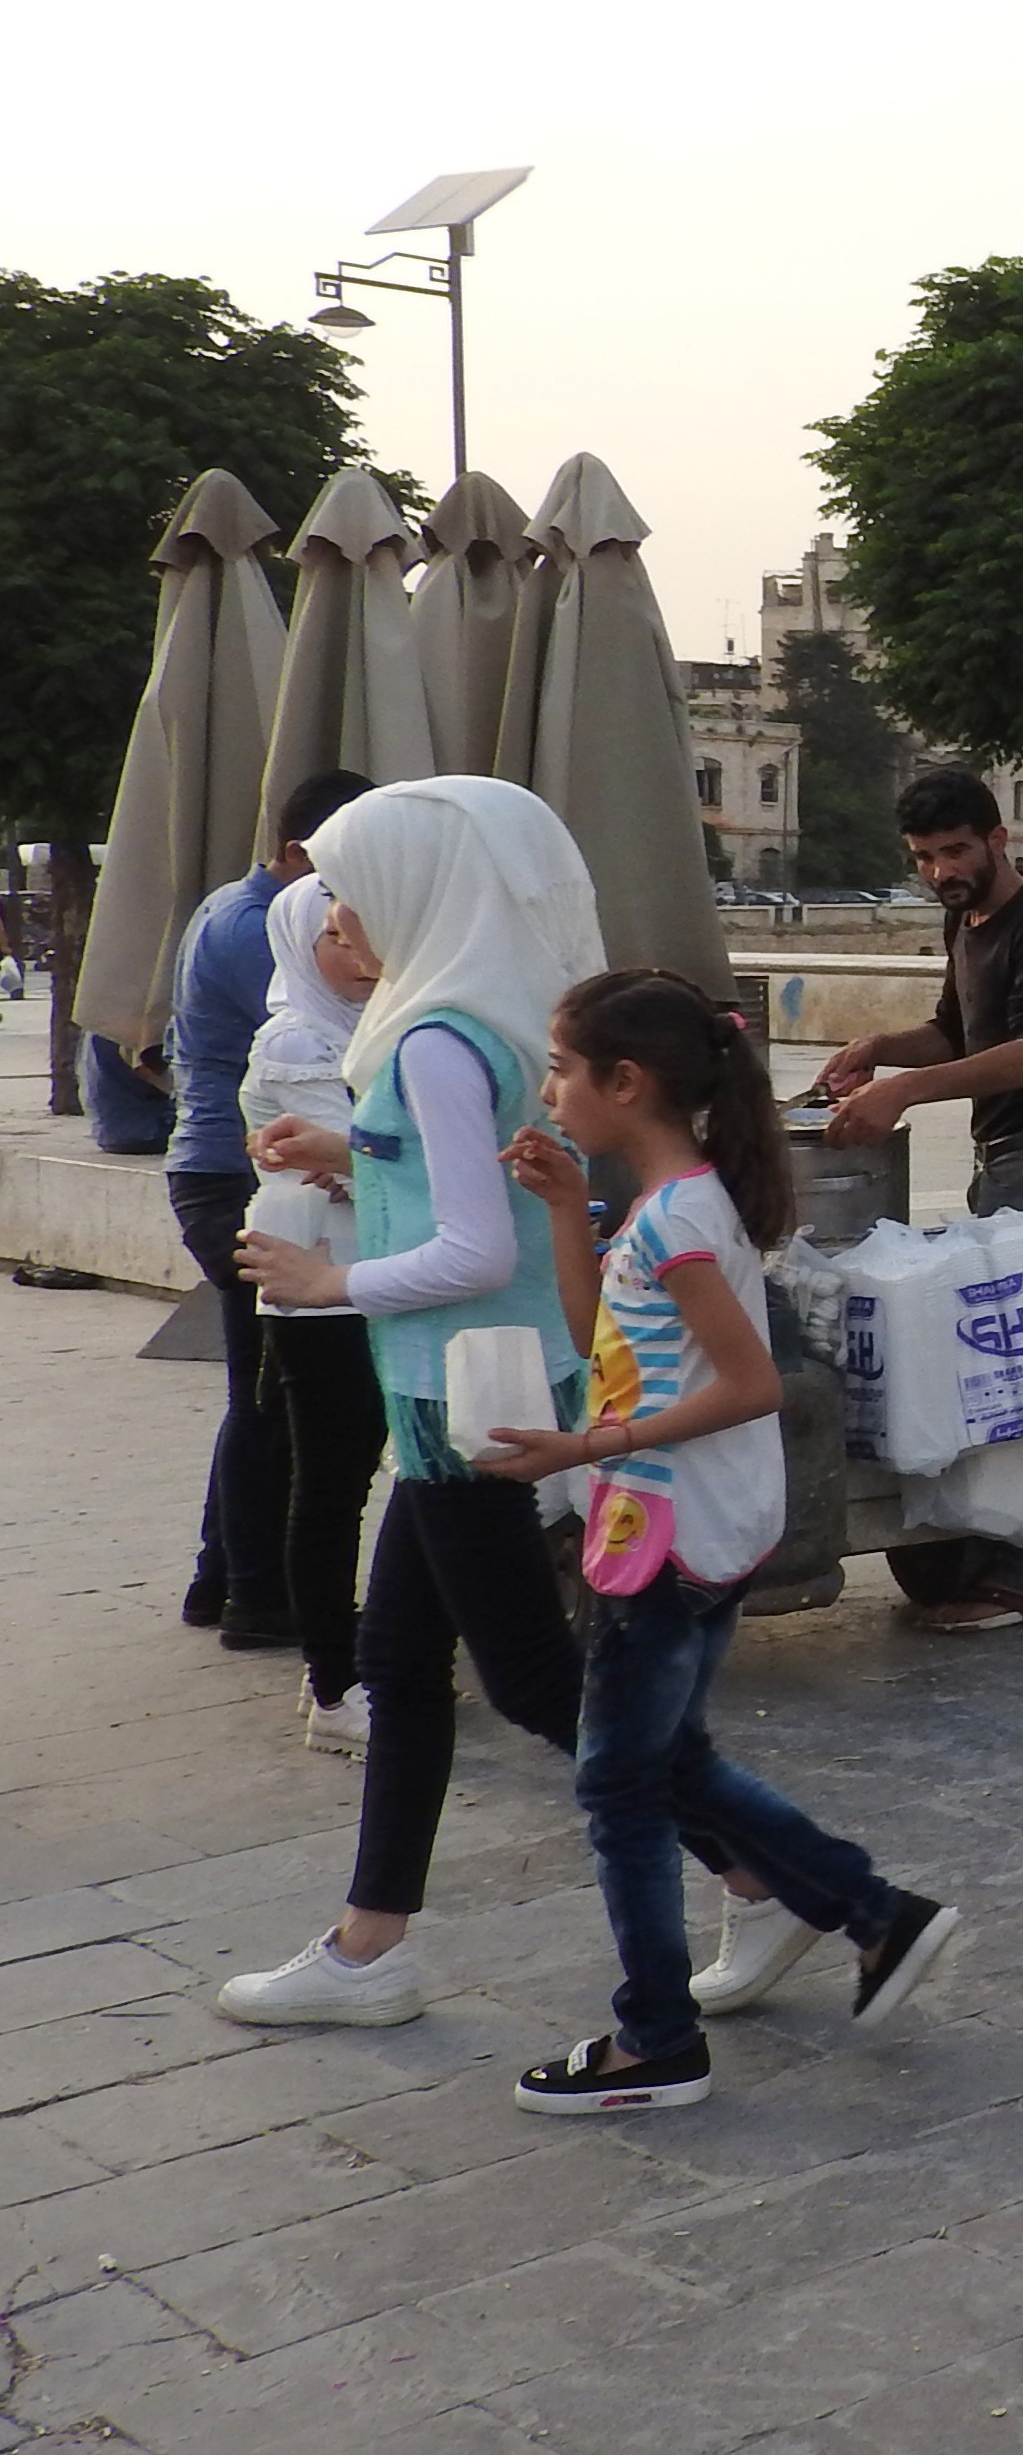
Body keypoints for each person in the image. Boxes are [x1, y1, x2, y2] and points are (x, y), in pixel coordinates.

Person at [478, 968, 965, 2108]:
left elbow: (750, 1384)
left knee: (620, 1789)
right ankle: (877, 1918)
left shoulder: (685, 1221)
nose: (549, 1087)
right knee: (668, 1763)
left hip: (668, 1536)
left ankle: (656, 2036)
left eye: (561, 1066)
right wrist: (563, 1212)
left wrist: (583, 1451)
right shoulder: (668, 1208)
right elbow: (604, 1330)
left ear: (627, 1081)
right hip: (681, 1526)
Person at [213, 778, 608, 2030]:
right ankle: (369, 1944)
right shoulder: (474, 1016)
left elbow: (472, 1247)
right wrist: (343, 1156)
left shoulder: (432, 1036)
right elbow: (459, 1184)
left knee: (540, 1684)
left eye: (352, 887)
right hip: (473, 1382)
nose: (339, 914)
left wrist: (328, 1276)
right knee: (401, 1658)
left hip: (455, 1391)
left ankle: (797, 1882)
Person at [810, 767, 1023, 1631]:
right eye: (926, 858)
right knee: (1018, 1355)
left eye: (956, 851)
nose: (942, 869)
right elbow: (955, 1028)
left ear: (997, 839)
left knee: (1015, 1365)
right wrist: (877, 1047)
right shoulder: (964, 918)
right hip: (1001, 1157)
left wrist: (904, 1095)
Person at [161, 768, 377, 1637]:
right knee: (275, 1398)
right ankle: (257, 1590)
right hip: (238, 1176)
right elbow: (307, 1069)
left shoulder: (242, 912)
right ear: (299, 857)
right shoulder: (271, 930)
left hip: (242, 1169)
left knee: (272, 1393)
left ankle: (225, 1577)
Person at [232, 873, 384, 1754]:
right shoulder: (296, 1039)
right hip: (314, 1280)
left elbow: (369, 1160)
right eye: (336, 938)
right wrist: (379, 1158)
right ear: (302, 941)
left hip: (363, 1269)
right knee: (331, 1482)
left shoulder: (365, 1030)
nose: (357, 956)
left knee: (351, 1473)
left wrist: (371, 1159)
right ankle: (333, 1682)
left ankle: (345, 1664)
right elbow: (351, 1160)